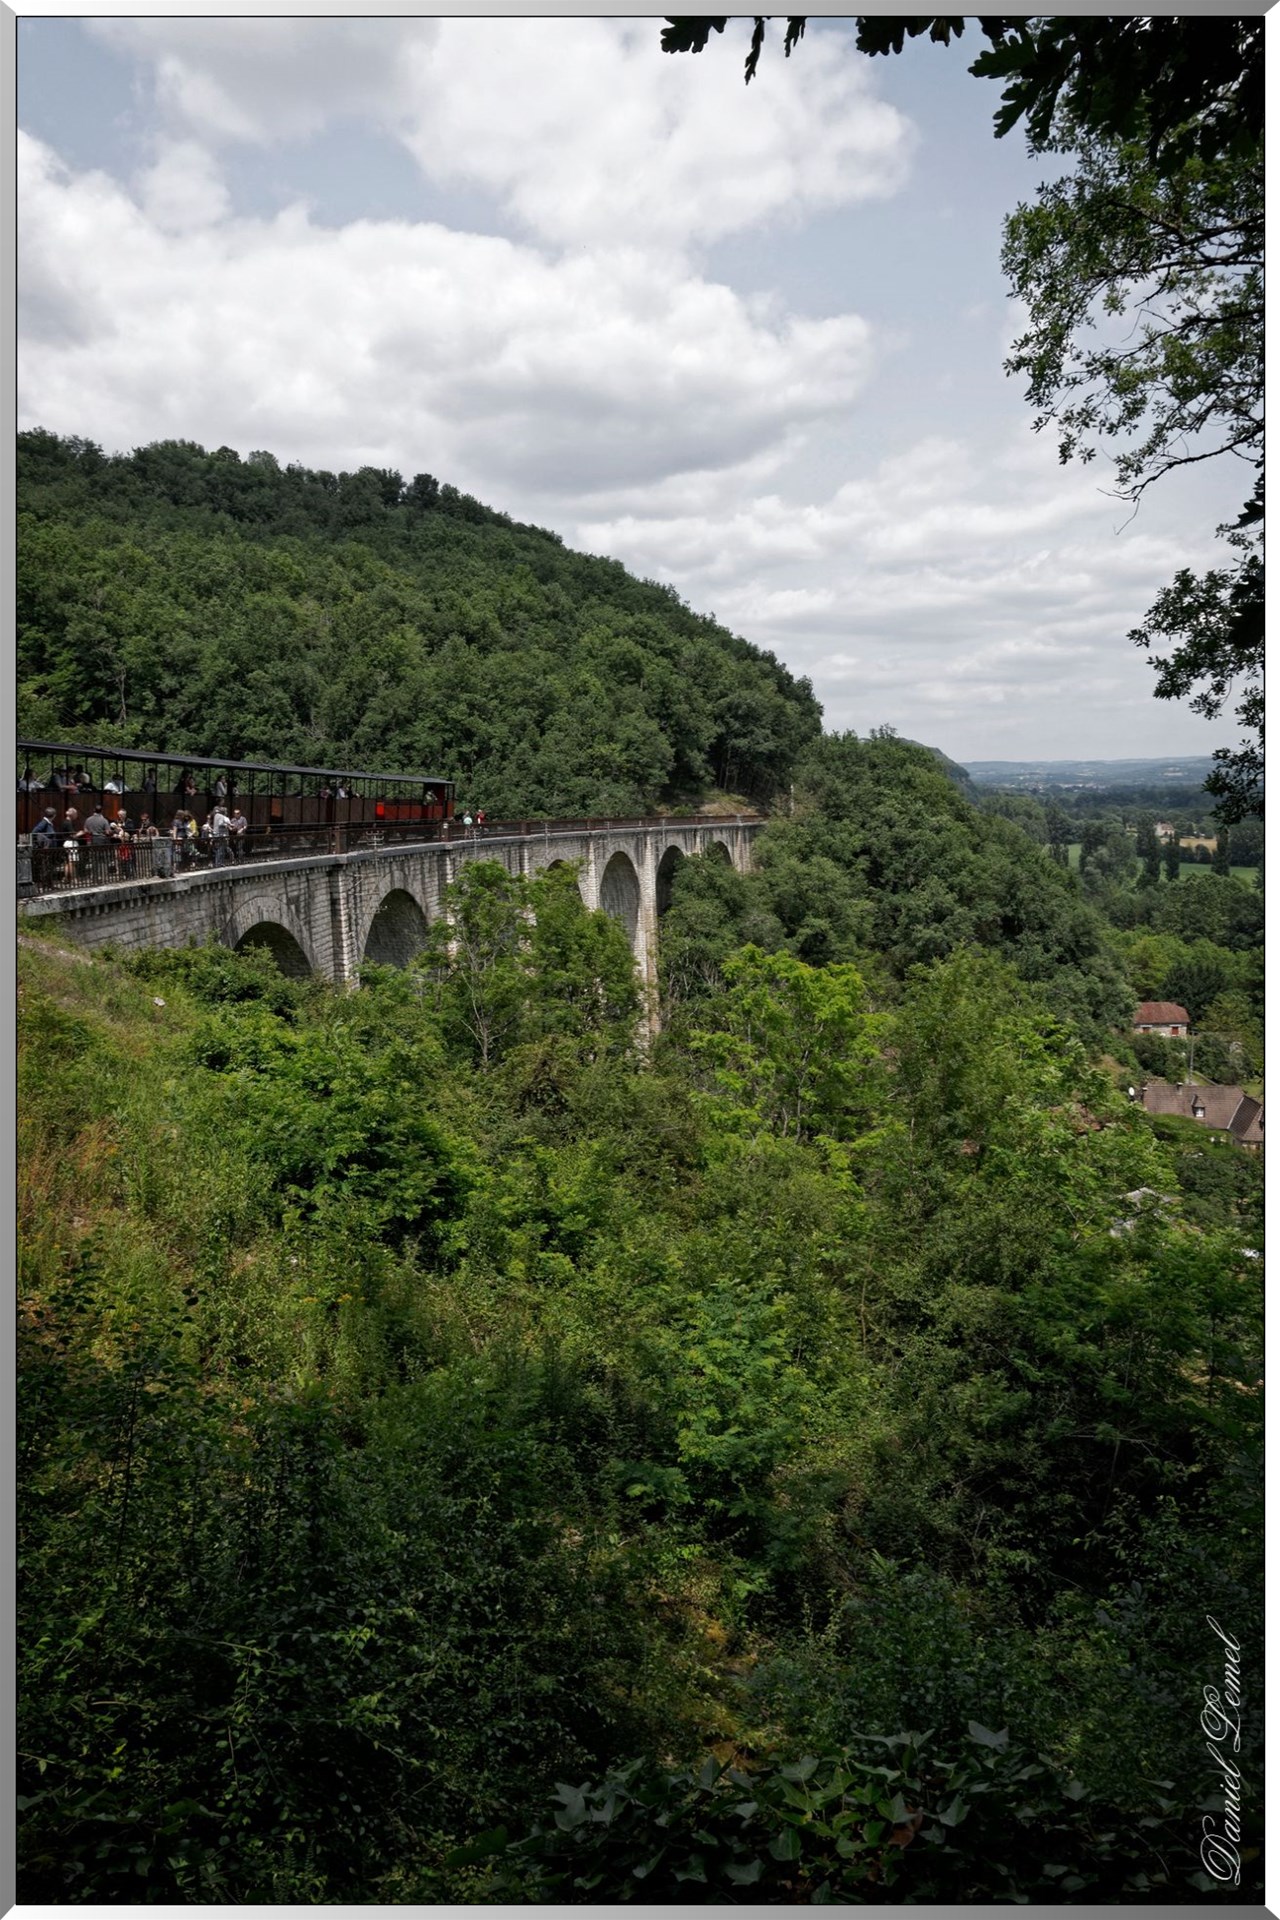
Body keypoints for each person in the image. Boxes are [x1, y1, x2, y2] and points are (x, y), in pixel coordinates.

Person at [210, 801, 232, 866]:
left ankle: (221, 862)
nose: (227, 812)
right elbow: (220, 824)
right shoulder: (222, 817)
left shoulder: (217, 816)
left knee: (221, 849)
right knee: (220, 849)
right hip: (221, 835)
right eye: (226, 812)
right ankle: (218, 863)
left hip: (217, 834)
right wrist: (228, 825)